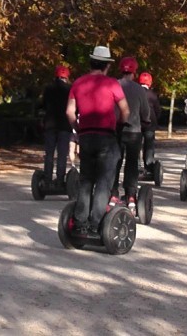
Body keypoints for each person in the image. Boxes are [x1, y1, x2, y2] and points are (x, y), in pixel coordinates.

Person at [66, 46, 130, 237]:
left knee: (86, 179)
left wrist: (78, 129)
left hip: (86, 136)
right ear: (107, 66)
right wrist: (119, 125)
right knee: (104, 181)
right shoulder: (111, 84)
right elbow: (125, 111)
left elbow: (69, 112)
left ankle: (80, 221)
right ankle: (96, 223)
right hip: (106, 136)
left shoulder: (78, 83)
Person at [110, 57, 151, 213]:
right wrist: (145, 121)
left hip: (116, 130)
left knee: (115, 162)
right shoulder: (139, 89)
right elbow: (145, 112)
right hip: (134, 130)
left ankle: (113, 194)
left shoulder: (114, 85)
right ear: (134, 72)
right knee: (132, 164)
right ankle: (131, 195)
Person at [41, 65, 73, 187]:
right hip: (64, 125)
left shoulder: (48, 88)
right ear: (67, 76)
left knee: (49, 153)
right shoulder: (70, 89)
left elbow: (43, 105)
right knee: (62, 154)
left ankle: (47, 179)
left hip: (50, 124)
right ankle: (60, 180)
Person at [138, 72, 161, 180]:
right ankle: (148, 167)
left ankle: (136, 167)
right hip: (150, 123)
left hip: (136, 123)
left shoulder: (135, 92)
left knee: (136, 146)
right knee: (149, 147)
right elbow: (157, 110)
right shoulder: (152, 94)